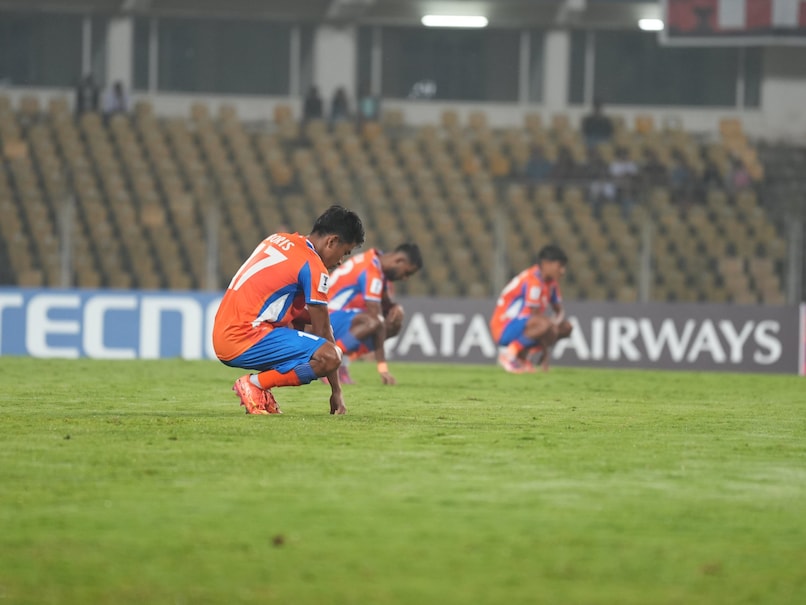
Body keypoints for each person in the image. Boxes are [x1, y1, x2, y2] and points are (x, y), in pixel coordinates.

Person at [212, 205, 365, 415]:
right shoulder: (313, 266)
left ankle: (260, 390)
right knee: (330, 356)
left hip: (223, 332)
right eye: (344, 253)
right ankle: (254, 385)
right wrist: (336, 391)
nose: (340, 261)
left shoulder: (278, 239)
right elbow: (323, 331)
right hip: (245, 337)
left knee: (304, 325)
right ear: (332, 241)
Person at [326, 243, 423, 385]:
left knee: (392, 323)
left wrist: (395, 307)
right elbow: (376, 319)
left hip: (334, 317)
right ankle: (330, 361)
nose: (405, 278)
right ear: (399, 261)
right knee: (372, 322)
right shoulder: (371, 271)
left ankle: (341, 363)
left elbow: (385, 305)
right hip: (325, 318)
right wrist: (382, 368)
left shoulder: (374, 261)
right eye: (407, 273)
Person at [489, 244, 573, 373]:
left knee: (565, 327)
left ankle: (522, 357)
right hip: (504, 326)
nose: (562, 271)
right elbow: (534, 315)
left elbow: (559, 310)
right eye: (559, 266)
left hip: (523, 324)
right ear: (546, 264)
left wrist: (554, 327)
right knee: (544, 325)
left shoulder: (551, 283)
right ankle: (510, 353)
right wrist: (546, 348)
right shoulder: (533, 280)